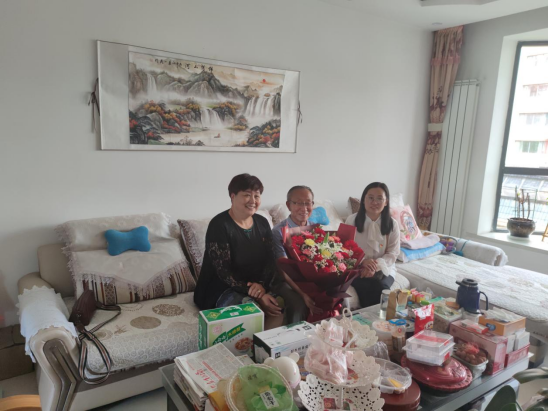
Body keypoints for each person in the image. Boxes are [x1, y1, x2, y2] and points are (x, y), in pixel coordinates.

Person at [194, 174, 283, 329]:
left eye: (257, 196)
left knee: (278, 306)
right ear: (233, 196)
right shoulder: (219, 225)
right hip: (222, 288)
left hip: (256, 285)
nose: (253, 200)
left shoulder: (262, 222)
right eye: (247, 195)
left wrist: (262, 285)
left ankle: (266, 345)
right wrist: (256, 294)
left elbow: (270, 260)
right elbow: (223, 272)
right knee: (251, 311)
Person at [271, 186, 323, 322]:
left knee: (339, 299)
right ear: (289, 205)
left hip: (311, 279)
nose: (304, 208)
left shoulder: (315, 228)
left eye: (308, 203)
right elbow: (283, 270)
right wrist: (303, 293)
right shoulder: (278, 231)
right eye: (298, 203)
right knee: (299, 305)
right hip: (285, 281)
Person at [345, 183, 400, 308]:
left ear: (386, 202)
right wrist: (363, 262)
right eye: (370, 197)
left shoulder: (393, 224)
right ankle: (373, 318)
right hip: (356, 267)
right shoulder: (351, 220)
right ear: (363, 200)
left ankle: (382, 318)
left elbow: (393, 253)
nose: (374, 202)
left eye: (379, 198)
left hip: (384, 267)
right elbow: (345, 249)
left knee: (382, 288)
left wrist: (375, 266)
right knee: (371, 286)